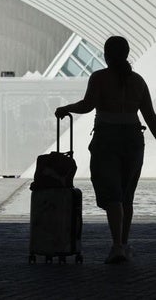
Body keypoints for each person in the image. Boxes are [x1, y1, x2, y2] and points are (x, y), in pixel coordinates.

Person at [55, 35, 156, 264]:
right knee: (127, 195)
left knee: (112, 194)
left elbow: (87, 105)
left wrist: (65, 108)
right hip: (133, 139)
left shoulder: (99, 78)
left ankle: (117, 245)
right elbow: (150, 117)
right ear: (127, 53)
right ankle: (123, 243)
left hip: (106, 139)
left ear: (106, 55)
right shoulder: (138, 81)